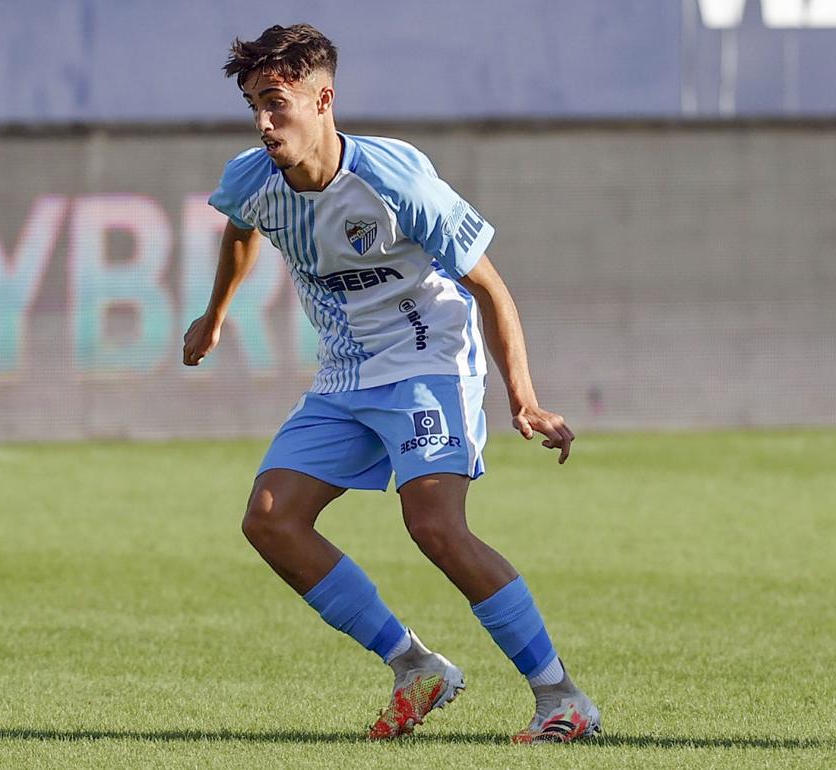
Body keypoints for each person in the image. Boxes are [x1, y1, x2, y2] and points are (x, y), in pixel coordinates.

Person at [182, 23, 601, 743]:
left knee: (435, 526)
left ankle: (561, 697)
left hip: (429, 359)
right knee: (271, 519)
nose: (262, 121)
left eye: (276, 102)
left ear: (323, 100)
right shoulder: (254, 178)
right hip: (345, 375)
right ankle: (415, 665)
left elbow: (493, 290)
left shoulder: (394, 179)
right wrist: (215, 313)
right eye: (253, 104)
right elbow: (240, 230)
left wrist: (523, 397)